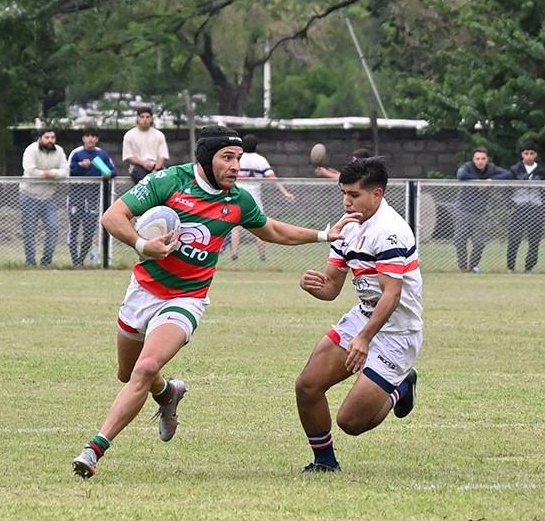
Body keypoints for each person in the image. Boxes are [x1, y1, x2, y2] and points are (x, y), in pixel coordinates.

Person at [71, 126, 360, 479]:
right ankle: (168, 393)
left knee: (145, 369)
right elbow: (112, 217)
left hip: (186, 298)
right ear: (206, 159)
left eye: (238, 158)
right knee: (128, 374)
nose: (236, 166)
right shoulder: (169, 182)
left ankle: (94, 449)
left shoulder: (238, 201)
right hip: (143, 291)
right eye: (227, 158)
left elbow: (271, 230)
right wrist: (144, 246)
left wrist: (322, 234)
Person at [295, 156, 422, 473]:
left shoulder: (391, 232)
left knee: (351, 422)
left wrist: (364, 339)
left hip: (397, 332)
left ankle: (401, 385)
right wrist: (313, 285)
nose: (346, 201)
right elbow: (331, 288)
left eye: (354, 195)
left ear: (376, 194)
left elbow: (392, 296)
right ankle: (325, 462)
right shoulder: (347, 227)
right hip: (364, 317)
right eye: (344, 193)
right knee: (307, 386)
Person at [229, 134, 288, 261]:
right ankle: (262, 255)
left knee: (235, 227)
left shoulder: (237, 159)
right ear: (256, 146)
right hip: (254, 199)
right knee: (260, 226)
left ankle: (234, 254)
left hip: (237, 197)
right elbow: (272, 178)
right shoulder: (260, 160)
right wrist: (285, 192)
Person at [454, 147, 511, 272]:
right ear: (473, 159)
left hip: (480, 213)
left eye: (483, 159)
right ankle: (463, 267)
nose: (480, 161)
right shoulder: (467, 167)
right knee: (460, 240)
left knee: (479, 242)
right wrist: (478, 182)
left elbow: (508, 174)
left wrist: (490, 181)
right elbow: (460, 175)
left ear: (487, 159)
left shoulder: (491, 169)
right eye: (477, 159)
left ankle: (473, 266)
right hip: (463, 210)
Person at [67, 129, 117, 267]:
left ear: (97, 139)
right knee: (74, 229)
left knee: (89, 230)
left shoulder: (102, 154)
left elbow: (112, 171)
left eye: (93, 136)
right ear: (83, 138)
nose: (90, 139)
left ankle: (81, 260)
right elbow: (69, 171)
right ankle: (74, 260)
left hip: (93, 198)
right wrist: (81, 167)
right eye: (88, 136)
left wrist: (105, 173)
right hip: (76, 196)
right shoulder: (76, 153)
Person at [20, 129, 69, 267]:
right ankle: (30, 263)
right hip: (29, 196)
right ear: (40, 138)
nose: (50, 140)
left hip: (49, 197)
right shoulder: (31, 150)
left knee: (53, 229)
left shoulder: (59, 151)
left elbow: (65, 171)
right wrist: (46, 175)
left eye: (53, 137)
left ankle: (46, 263)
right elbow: (30, 170)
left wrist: (52, 173)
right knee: (29, 231)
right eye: (47, 137)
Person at [506, 143, 545, 272]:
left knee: (534, 239)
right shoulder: (515, 169)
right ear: (522, 154)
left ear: (536, 155)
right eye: (526, 153)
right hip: (519, 207)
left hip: (535, 207)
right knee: (514, 237)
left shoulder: (541, 170)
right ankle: (511, 267)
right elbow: (507, 188)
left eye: (531, 153)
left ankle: (529, 266)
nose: (529, 156)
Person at [122, 107, 169, 183]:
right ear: (137, 118)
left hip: (156, 166)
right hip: (138, 167)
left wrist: (156, 168)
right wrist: (143, 163)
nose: (145, 119)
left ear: (151, 119)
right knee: (145, 182)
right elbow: (128, 156)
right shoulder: (129, 135)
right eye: (142, 117)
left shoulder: (159, 135)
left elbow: (162, 155)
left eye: (147, 117)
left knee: (165, 179)